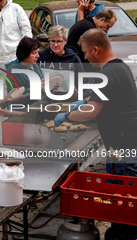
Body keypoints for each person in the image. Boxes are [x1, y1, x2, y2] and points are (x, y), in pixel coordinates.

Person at [54, 28, 137, 239]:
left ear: (95, 49)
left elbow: (90, 113)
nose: (85, 57)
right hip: (122, 143)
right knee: (121, 196)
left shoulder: (109, 73)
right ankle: (121, 229)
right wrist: (86, 100)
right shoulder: (120, 67)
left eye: (85, 52)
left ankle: (125, 234)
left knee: (125, 199)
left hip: (124, 146)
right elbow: (104, 100)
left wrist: (66, 116)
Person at [6, 36, 57, 105]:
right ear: (24, 54)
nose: (37, 56)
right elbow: (14, 99)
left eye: (38, 52)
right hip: (23, 113)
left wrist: (50, 88)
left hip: (40, 107)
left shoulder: (34, 65)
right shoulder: (13, 72)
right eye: (34, 53)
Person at [37, 25, 88, 92]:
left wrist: (88, 99)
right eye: (52, 41)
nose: (55, 45)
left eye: (59, 41)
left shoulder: (73, 59)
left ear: (65, 41)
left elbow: (83, 83)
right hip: (44, 99)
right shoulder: (40, 56)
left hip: (66, 100)